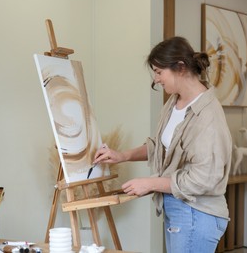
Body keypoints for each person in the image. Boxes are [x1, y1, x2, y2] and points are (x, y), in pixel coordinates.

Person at [93, 36, 232, 252]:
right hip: (179, 210)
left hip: (197, 214)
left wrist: (151, 183)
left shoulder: (208, 116)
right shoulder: (173, 103)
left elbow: (204, 178)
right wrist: (121, 156)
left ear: (180, 68)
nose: (156, 79)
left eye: (159, 72)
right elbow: (161, 146)